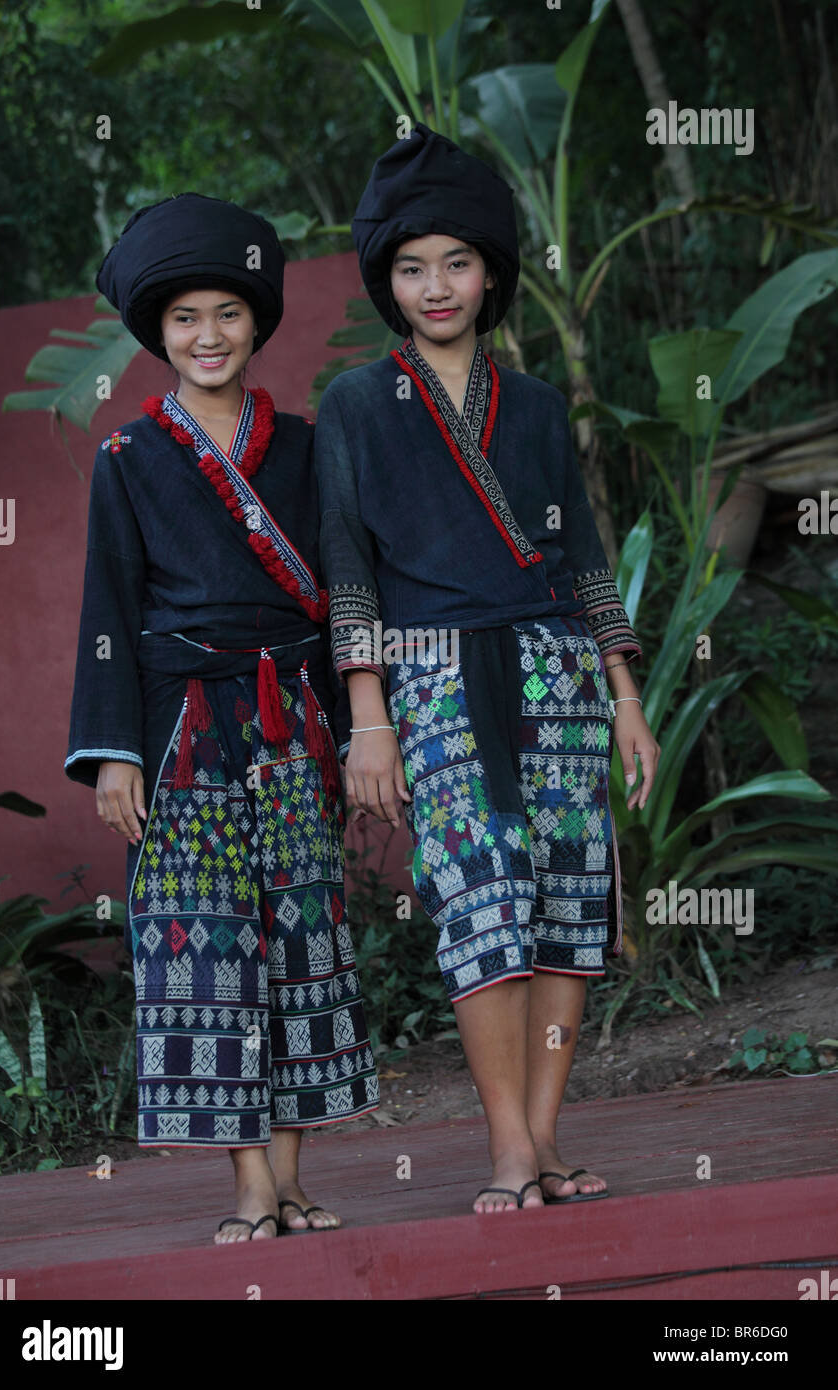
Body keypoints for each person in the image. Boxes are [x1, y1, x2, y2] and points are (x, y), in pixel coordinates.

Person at [314, 124, 660, 1214]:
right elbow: (346, 565)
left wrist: (627, 698)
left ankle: (548, 1137)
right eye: (411, 267)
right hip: (431, 680)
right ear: (387, 278)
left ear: (491, 271)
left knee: (565, 912)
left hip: (556, 670)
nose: (435, 286)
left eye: (456, 262)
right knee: (479, 908)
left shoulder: (543, 408)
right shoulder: (357, 406)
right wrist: (367, 715)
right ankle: (507, 1146)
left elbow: (589, 563)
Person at [65, 192, 379, 1242]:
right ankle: (248, 1185)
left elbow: (341, 584)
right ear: (159, 331)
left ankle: (290, 1178)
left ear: (256, 325)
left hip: (293, 721)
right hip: (179, 730)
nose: (208, 336)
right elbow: (108, 610)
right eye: (187, 317)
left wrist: (351, 729)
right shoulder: (127, 459)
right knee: (210, 956)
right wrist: (114, 755)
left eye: (228, 315)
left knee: (300, 942)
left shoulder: (303, 445)